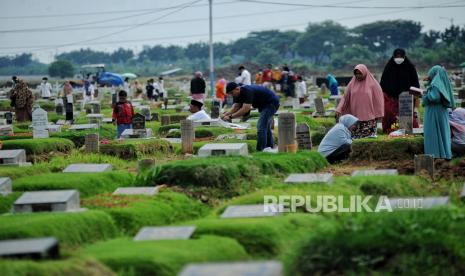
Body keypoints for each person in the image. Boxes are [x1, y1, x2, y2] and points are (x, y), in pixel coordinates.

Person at [221, 82, 279, 151]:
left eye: (231, 93)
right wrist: (226, 114)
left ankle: (261, 150)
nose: (231, 95)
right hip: (263, 105)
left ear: (237, 89)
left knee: (260, 127)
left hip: (271, 103)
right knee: (265, 127)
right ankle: (269, 148)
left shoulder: (247, 92)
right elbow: (236, 106)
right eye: (229, 93)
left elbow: (245, 109)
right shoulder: (237, 94)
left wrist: (230, 117)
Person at [336, 64, 384, 138]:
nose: (358, 75)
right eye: (356, 74)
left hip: (369, 119)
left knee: (368, 139)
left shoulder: (373, 84)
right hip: (355, 118)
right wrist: (339, 108)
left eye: (360, 73)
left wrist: (378, 113)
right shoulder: (352, 83)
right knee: (356, 139)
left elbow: (378, 99)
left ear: (364, 72)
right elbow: (345, 97)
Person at [380, 48, 420, 133]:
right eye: (397, 56)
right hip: (391, 98)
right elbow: (383, 83)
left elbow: (415, 83)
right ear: (394, 56)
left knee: (406, 119)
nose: (399, 58)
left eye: (400, 56)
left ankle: (406, 131)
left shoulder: (410, 67)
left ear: (404, 56)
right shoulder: (389, 67)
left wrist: (416, 98)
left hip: (406, 97)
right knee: (391, 116)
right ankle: (390, 131)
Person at [422, 65, 454, 159]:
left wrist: (424, 95)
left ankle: (434, 154)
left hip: (434, 112)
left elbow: (434, 97)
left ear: (434, 73)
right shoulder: (442, 82)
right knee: (442, 132)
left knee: (433, 133)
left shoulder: (436, 83)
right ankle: (445, 154)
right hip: (441, 111)